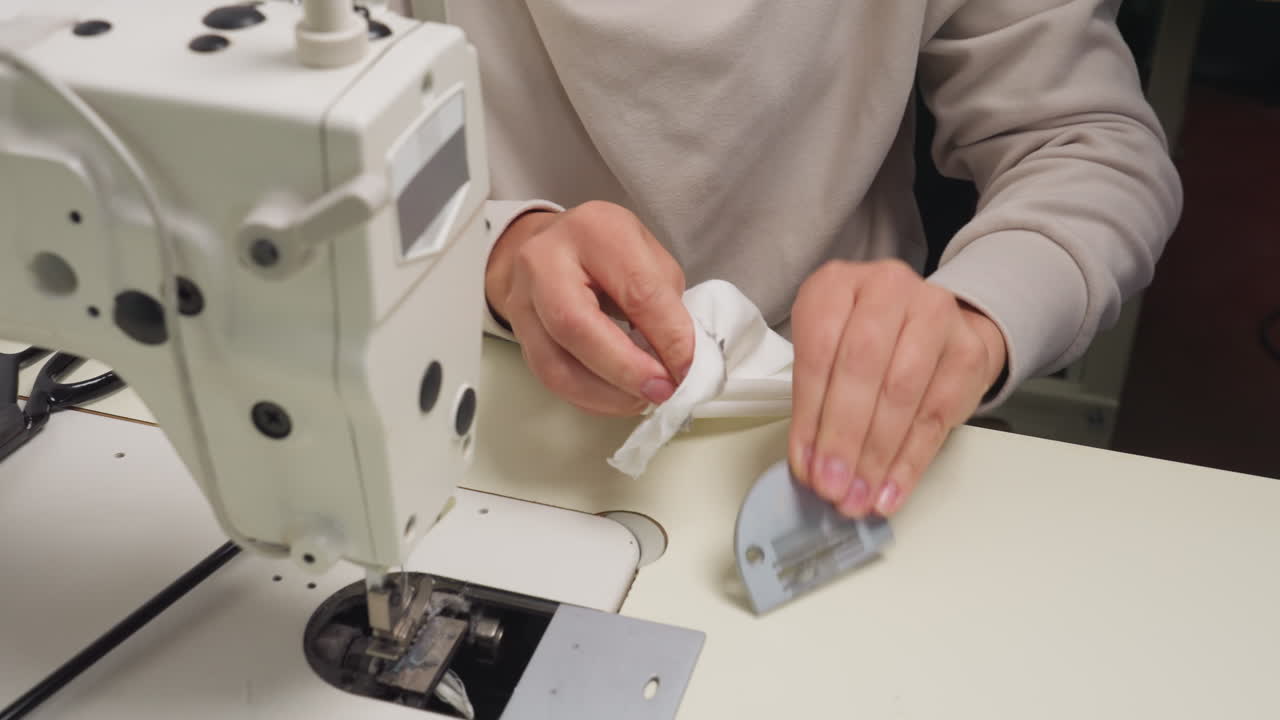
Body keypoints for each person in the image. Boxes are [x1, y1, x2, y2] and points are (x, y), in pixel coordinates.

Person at [444, 2, 1182, 518]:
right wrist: (494, 249)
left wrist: (975, 315)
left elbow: (1086, 144)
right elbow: (333, 167)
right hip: (481, 377)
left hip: (830, 408)